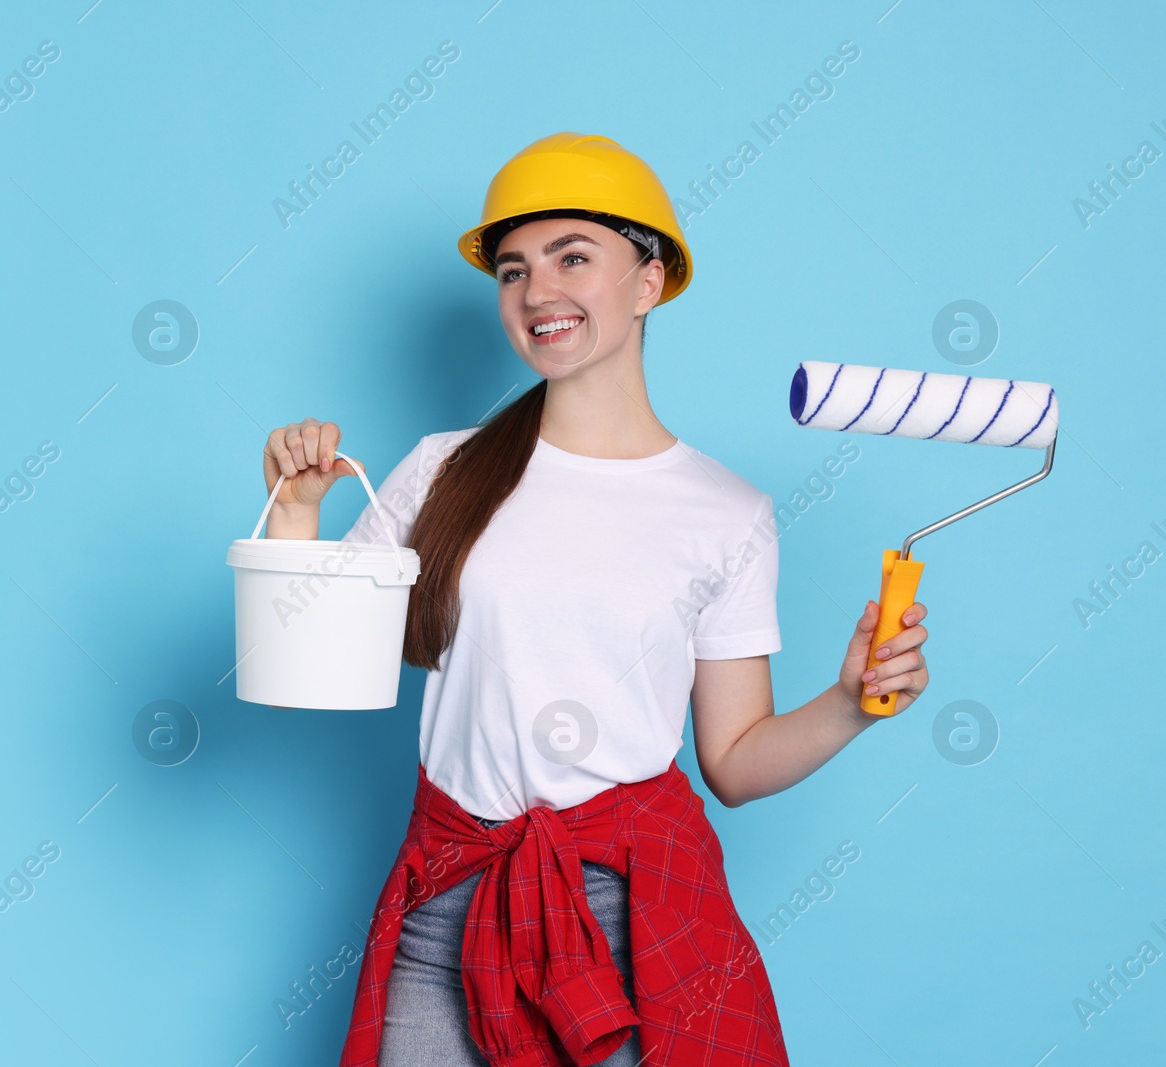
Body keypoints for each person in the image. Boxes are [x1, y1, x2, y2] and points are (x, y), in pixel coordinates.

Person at [260, 132, 931, 1067]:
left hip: (625, 919)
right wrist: (294, 510)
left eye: (574, 257)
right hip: (448, 898)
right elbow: (316, 668)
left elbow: (733, 762)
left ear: (650, 280)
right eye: (512, 270)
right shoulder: (441, 471)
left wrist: (851, 703)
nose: (538, 293)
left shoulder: (728, 514)